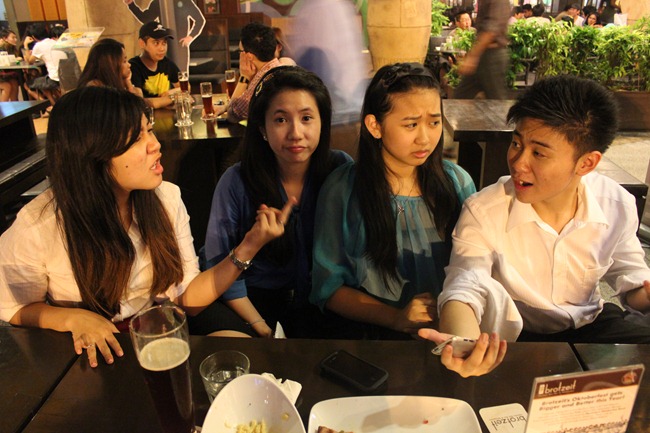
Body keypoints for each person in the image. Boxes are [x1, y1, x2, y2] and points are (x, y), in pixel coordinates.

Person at [0, 86, 295, 368]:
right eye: (136, 139)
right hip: (88, 348)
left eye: (149, 130)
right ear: (92, 155)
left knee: (242, 355)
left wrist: (249, 245)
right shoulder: (39, 224)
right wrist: (71, 319)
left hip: (156, 327)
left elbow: (187, 297)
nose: (155, 145)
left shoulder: (165, 198)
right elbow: (14, 307)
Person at [421, 75, 650, 377]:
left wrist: (645, 294)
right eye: (516, 143)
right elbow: (465, 284)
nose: (518, 163)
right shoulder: (485, 209)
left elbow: (631, 281)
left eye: (539, 153)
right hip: (517, 334)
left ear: (586, 163)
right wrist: (463, 343)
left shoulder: (615, 204)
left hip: (591, 326)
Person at [310, 63, 476, 340]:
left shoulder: (457, 182)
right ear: (375, 126)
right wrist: (395, 317)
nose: (425, 138)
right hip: (374, 338)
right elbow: (328, 288)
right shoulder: (343, 190)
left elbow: (476, 269)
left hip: (450, 333)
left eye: (434, 122)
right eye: (411, 124)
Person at [204, 66, 353, 338]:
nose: (296, 132)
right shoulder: (236, 182)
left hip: (326, 301)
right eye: (281, 119)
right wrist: (261, 328)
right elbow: (219, 267)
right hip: (255, 303)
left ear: (322, 122)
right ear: (262, 128)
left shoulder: (340, 170)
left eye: (307, 118)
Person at [214, 22, 281, 124]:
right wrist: (225, 107)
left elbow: (233, 115)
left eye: (240, 51)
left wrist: (244, 77)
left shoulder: (262, 80)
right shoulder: (278, 68)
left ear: (249, 56)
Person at [122, 0, 206, 73]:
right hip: (163, 44)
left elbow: (199, 19)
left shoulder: (184, 1)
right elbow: (146, 18)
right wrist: (131, 4)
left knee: (181, 74)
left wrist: (190, 37)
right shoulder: (158, 2)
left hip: (180, 45)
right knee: (165, 73)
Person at [453, 0, 510, 100]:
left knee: (496, 101)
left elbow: (491, 31)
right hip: (484, 54)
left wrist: (473, 57)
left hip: (492, 55)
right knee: (462, 95)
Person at [129, 21, 180, 108]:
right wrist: (172, 98)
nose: (162, 48)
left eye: (164, 43)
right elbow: (139, 101)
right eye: (156, 43)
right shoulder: (134, 67)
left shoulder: (166, 63)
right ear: (142, 43)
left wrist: (171, 92)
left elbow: (186, 87)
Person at [77, 38, 142, 96]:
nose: (129, 65)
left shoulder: (113, 83)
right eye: (124, 61)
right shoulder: (95, 88)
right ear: (111, 64)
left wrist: (127, 81)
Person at [24, 23, 66, 107]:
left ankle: (49, 104)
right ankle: (54, 104)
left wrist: (26, 46)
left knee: (27, 85)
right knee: (43, 84)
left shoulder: (38, 45)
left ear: (33, 37)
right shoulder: (54, 41)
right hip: (64, 75)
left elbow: (30, 61)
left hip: (55, 78)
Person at [0, 29, 22, 101]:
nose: (15, 40)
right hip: (2, 75)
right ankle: (3, 106)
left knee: (14, 83)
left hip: (6, 74)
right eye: (13, 37)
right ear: (5, 38)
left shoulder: (12, 48)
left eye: (16, 37)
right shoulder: (2, 48)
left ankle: (15, 105)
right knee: (7, 86)